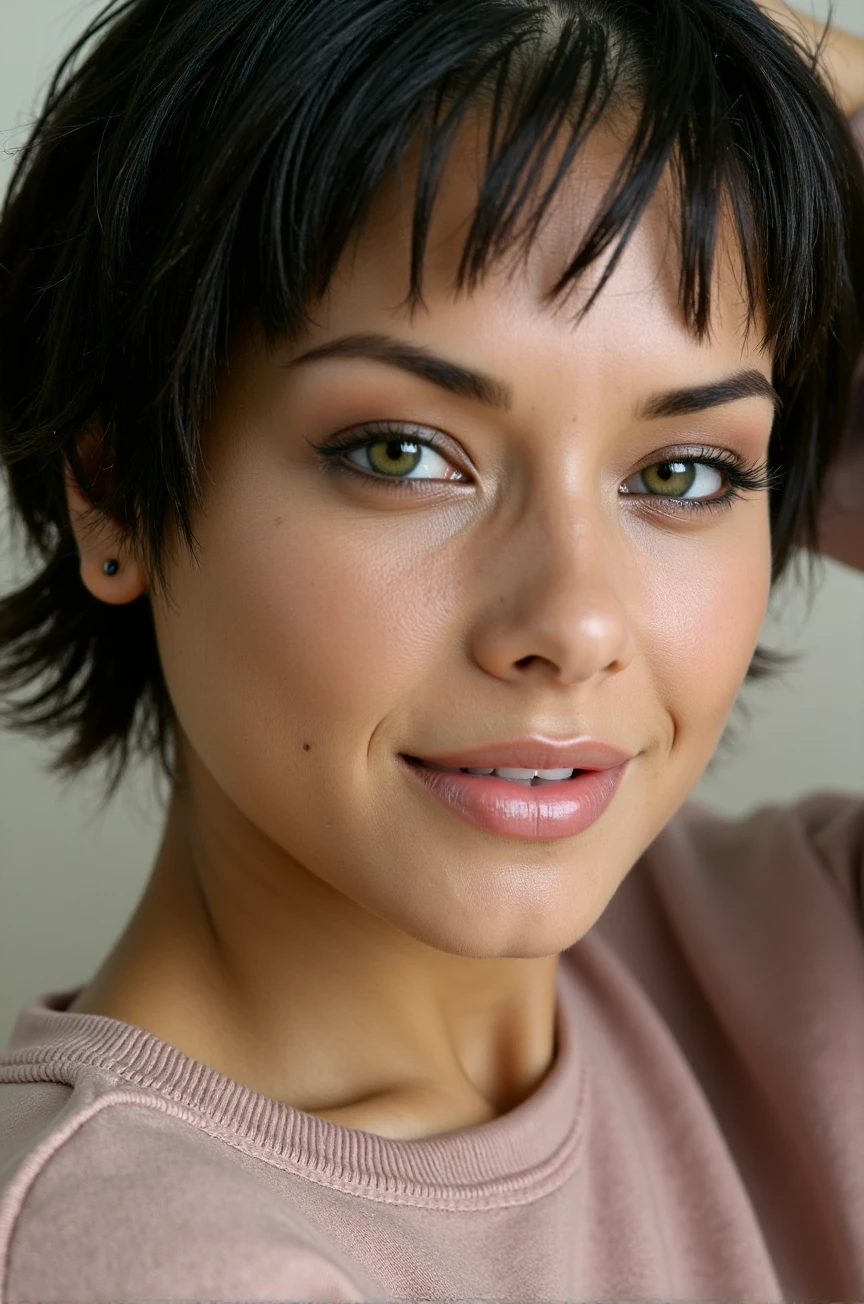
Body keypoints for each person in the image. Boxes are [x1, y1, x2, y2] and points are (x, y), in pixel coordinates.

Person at [0, 0, 862, 1298]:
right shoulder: (149, 1258)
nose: (572, 623)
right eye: (405, 454)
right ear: (112, 488)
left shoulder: (803, 943)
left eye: (683, 470)